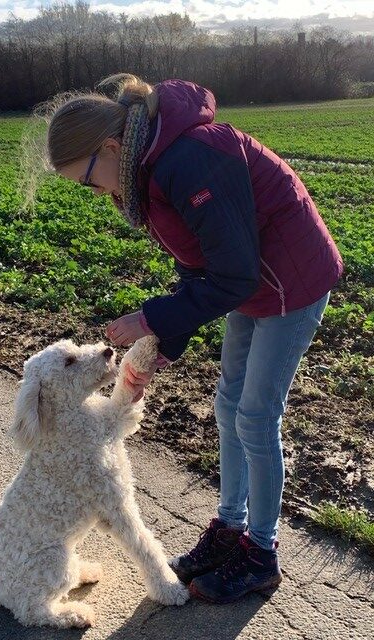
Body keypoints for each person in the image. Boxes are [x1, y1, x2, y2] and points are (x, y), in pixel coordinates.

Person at [45, 73, 343, 604]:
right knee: (228, 406)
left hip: (290, 284)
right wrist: (163, 343)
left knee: (256, 417)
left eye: (89, 182)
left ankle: (262, 554)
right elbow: (197, 265)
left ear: (110, 147)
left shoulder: (188, 159)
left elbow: (232, 275)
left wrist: (151, 320)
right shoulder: (147, 168)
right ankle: (230, 528)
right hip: (250, 286)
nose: (97, 194)